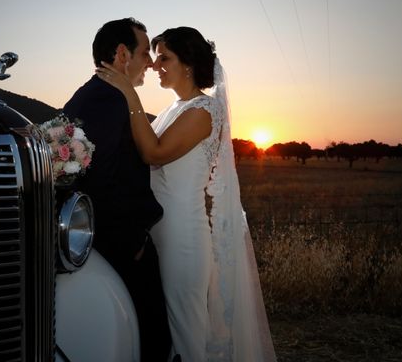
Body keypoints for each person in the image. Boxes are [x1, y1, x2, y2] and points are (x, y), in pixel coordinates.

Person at [96, 26, 276, 361]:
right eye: (156, 57)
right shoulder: (174, 109)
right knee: (168, 335)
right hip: (160, 232)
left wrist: (128, 92)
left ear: (188, 64)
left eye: (165, 58)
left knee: (188, 334)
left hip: (183, 237)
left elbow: (154, 153)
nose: (154, 65)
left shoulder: (204, 112)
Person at [63, 17, 172, 362]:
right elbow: (100, 181)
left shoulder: (88, 93)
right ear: (123, 53)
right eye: (144, 53)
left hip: (107, 245)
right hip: (121, 249)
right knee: (149, 337)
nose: (151, 63)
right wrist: (132, 243)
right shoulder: (109, 100)